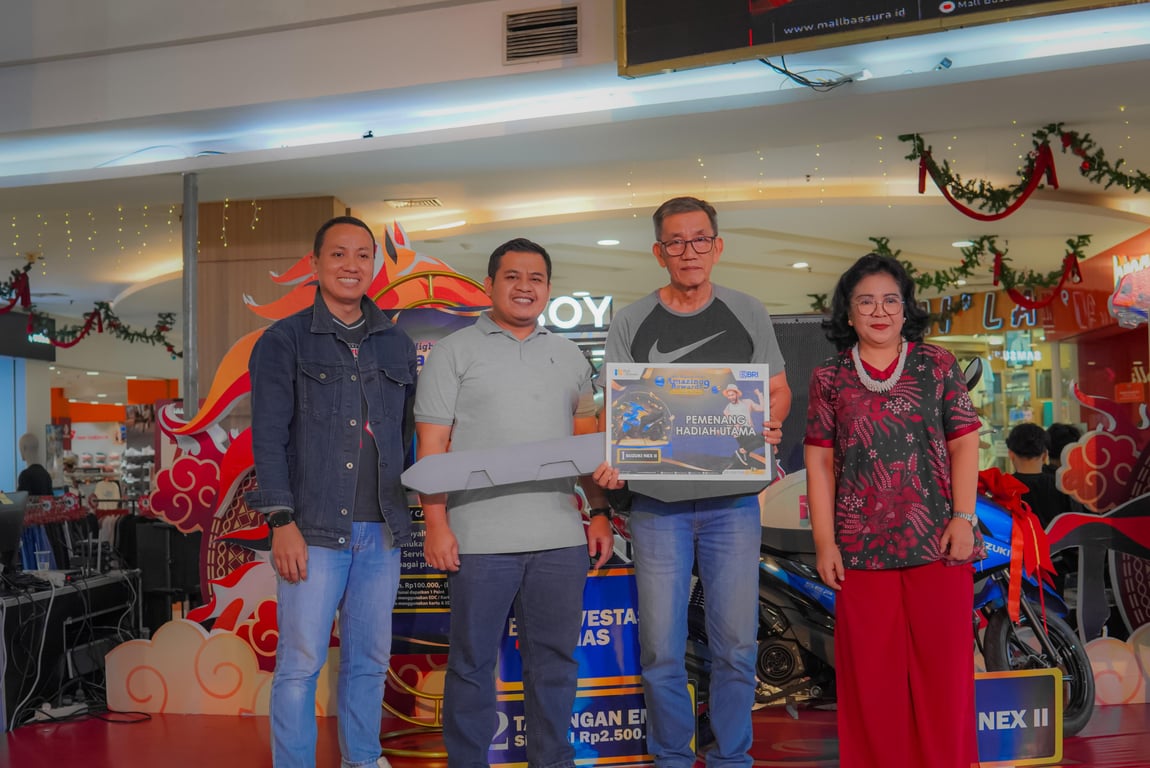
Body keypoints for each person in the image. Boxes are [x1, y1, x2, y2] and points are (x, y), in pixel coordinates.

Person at [593, 196, 791, 768]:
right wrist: (613, 456)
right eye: (676, 242)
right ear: (659, 253)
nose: (689, 251)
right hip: (658, 507)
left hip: (733, 505)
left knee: (737, 645)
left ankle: (731, 758)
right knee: (660, 648)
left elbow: (777, 390)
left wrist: (771, 421)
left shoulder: (748, 310)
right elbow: (615, 410)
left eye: (700, 239)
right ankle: (671, 758)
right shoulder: (631, 320)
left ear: (717, 246)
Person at [414, 238, 614, 768]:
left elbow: (585, 445)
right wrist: (436, 522)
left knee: (555, 666)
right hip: (478, 541)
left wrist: (598, 512)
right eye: (512, 276)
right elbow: (432, 447)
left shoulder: (569, 356)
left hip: (560, 539)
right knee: (471, 665)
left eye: (536, 278)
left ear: (548, 288)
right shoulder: (453, 352)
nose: (525, 287)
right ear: (489, 285)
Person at [245, 215, 417, 768]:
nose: (351, 265)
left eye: (363, 254)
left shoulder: (396, 343)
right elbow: (268, 438)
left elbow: (407, 438)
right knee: (300, 664)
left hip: (382, 531)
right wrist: (281, 521)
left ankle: (362, 760)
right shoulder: (284, 340)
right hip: (312, 531)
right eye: (338, 254)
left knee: (369, 662)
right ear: (316, 263)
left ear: (375, 265)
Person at [803, 253, 983, 768]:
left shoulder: (937, 365)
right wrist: (824, 542)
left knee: (944, 682)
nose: (879, 311)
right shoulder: (829, 377)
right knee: (871, 687)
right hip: (859, 552)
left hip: (938, 545)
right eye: (866, 301)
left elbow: (964, 445)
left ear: (906, 309)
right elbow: (820, 464)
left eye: (890, 300)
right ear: (848, 311)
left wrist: (964, 518)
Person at [1006, 422, 1079, 529]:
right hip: (1056, 540)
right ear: (1045, 455)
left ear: (1011, 455)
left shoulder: (1003, 487)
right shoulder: (1061, 486)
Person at [722, 383, 766, 467]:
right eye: (729, 396)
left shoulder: (747, 402)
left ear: (737, 394)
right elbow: (729, 423)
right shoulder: (727, 409)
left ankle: (742, 451)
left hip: (749, 429)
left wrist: (759, 395)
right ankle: (742, 451)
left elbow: (762, 408)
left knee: (752, 446)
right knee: (762, 439)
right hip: (739, 431)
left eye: (732, 395)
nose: (730, 397)